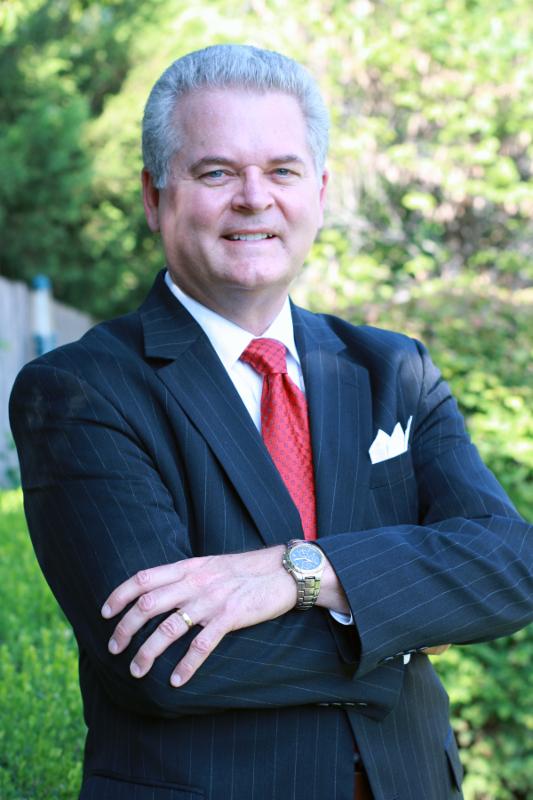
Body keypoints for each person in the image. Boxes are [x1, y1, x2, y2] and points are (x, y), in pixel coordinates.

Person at [9, 44, 533, 800]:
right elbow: (164, 658)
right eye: (216, 172)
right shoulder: (80, 389)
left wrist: (303, 573)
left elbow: (511, 562)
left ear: (318, 192)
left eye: (282, 171)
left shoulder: (394, 368)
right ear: (155, 197)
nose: (254, 199)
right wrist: (400, 628)